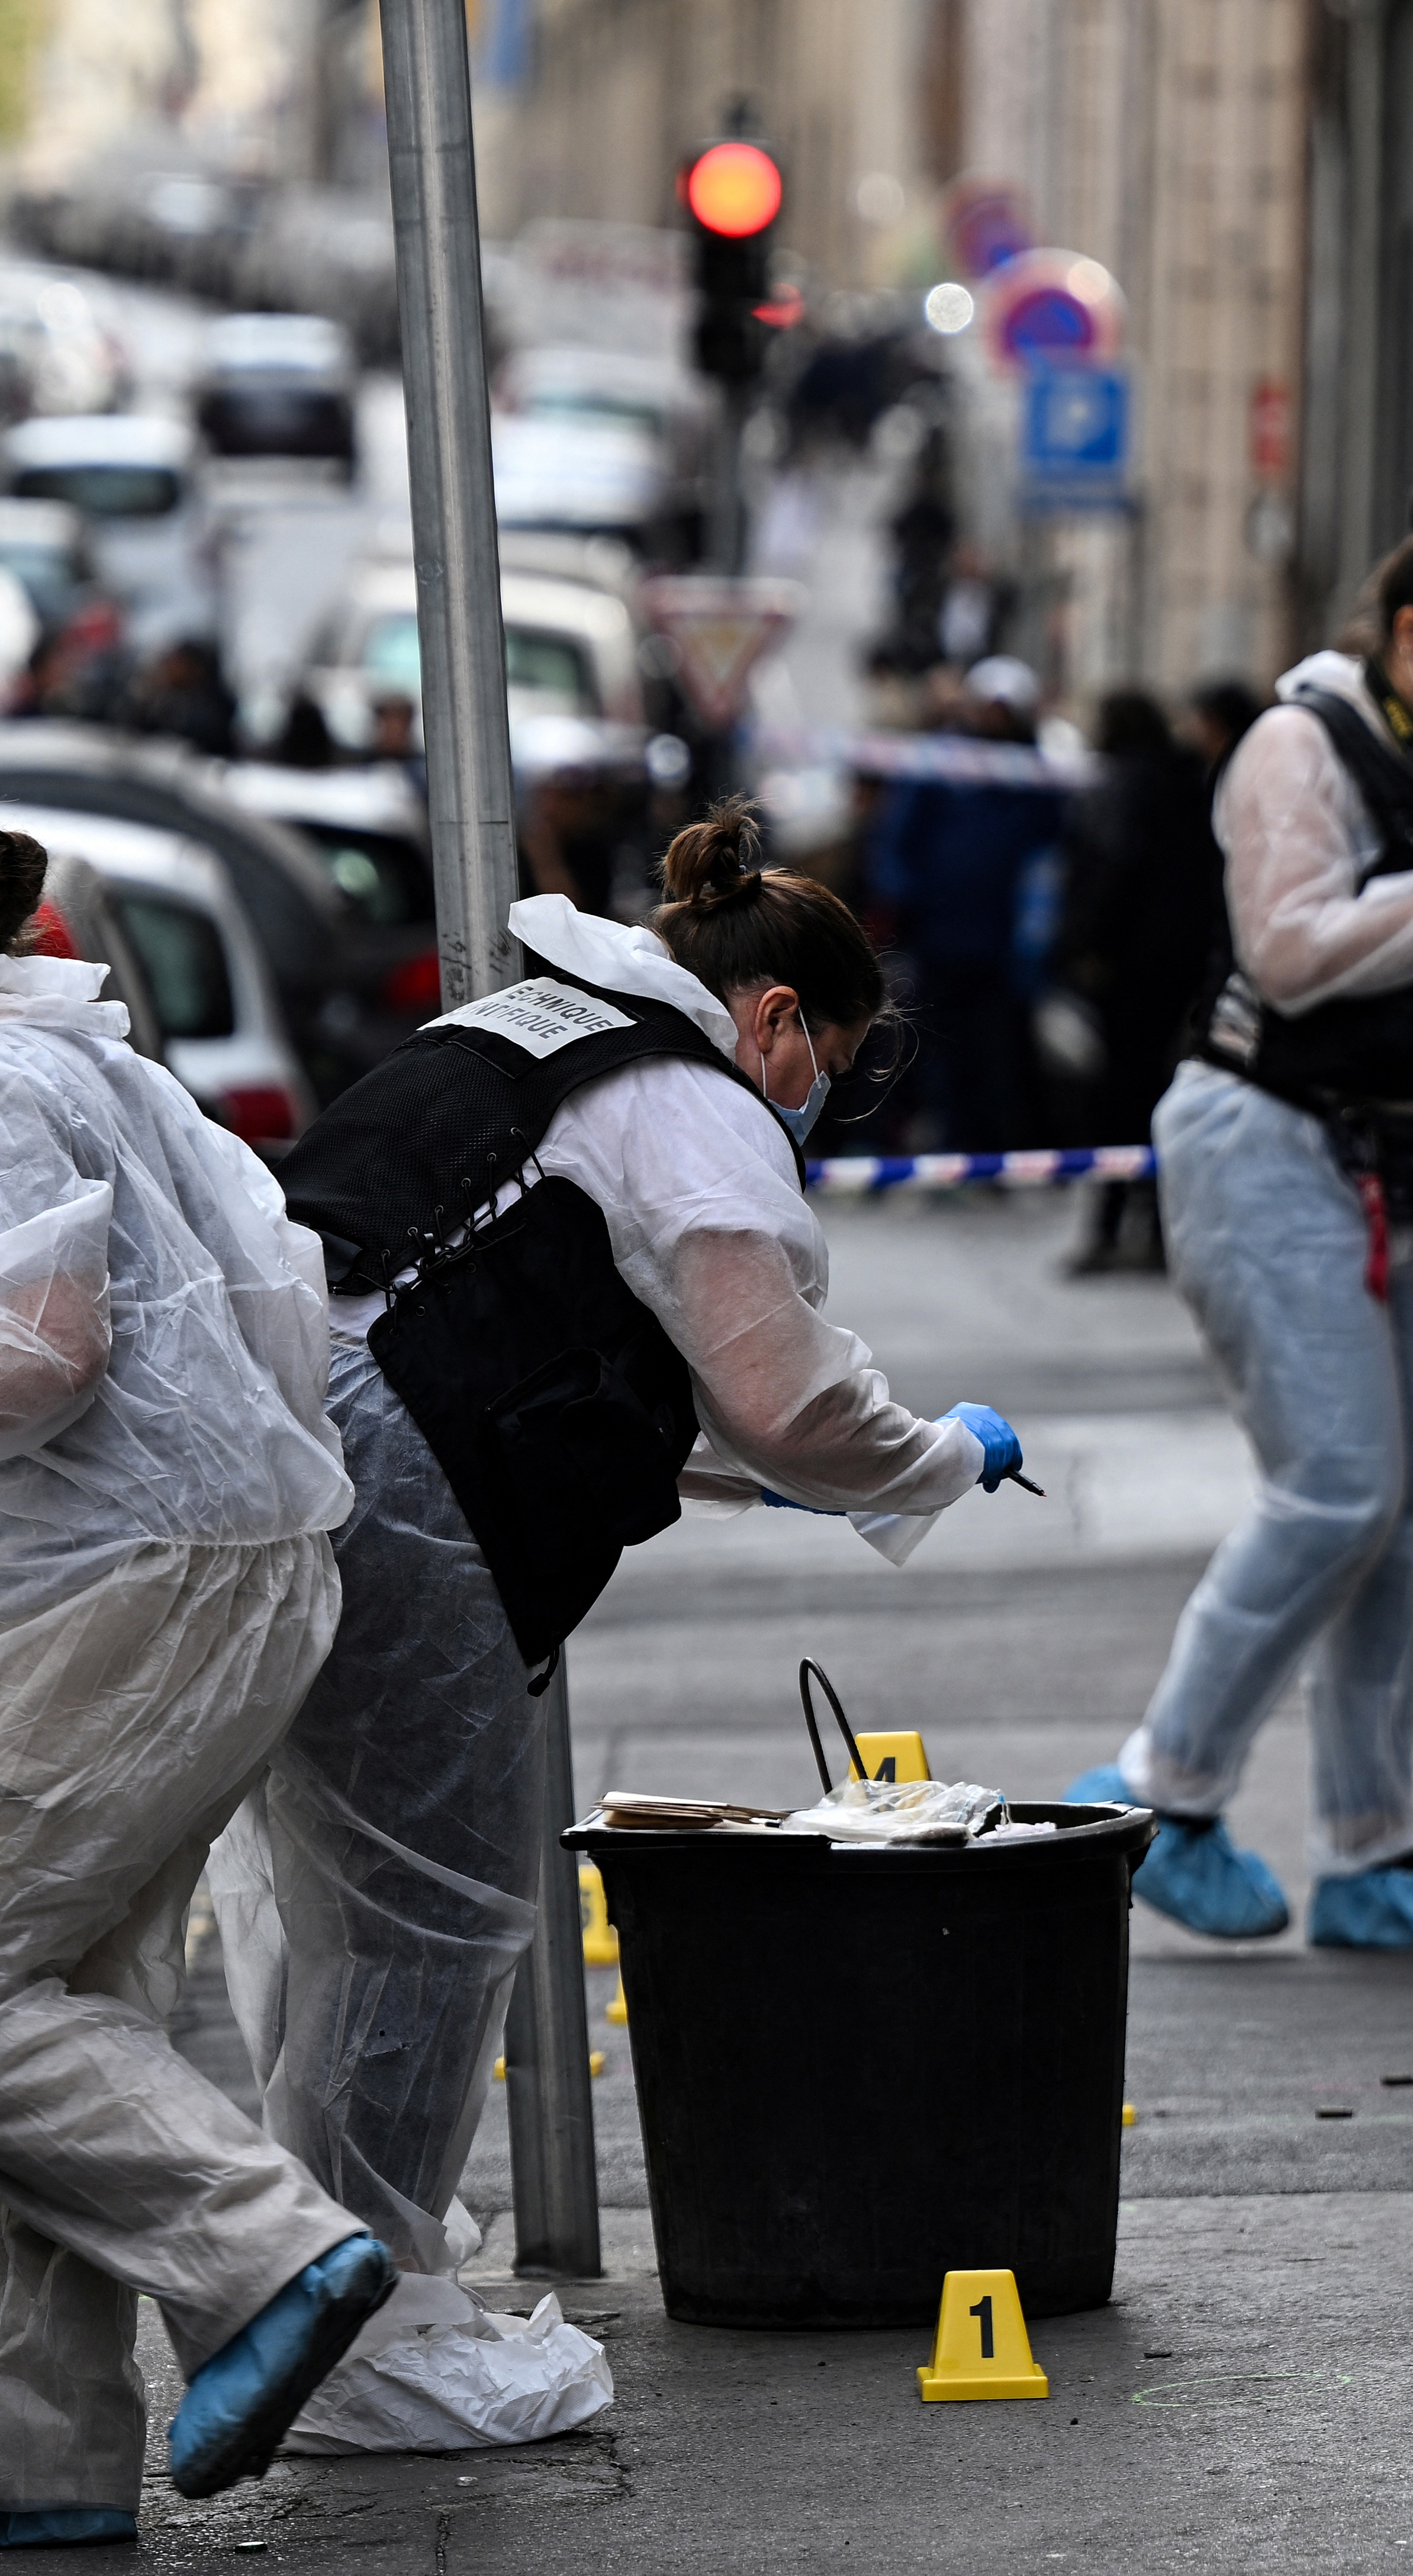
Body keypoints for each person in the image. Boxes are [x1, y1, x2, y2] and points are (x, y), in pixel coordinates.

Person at [226, 802, 1026, 2443]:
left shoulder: (530, 1027)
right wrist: (936, 1451)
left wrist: (820, 1479)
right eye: (827, 1063)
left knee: (345, 1909)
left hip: (297, 1437)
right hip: (408, 1473)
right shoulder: (699, 1104)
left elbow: (590, 1356)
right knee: (425, 1923)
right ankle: (358, 2331)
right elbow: (783, 1394)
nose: (809, 1103)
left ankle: (325, 2276)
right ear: (778, 1016)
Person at [0, 795, 396, 2547]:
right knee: (52, 2000)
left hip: (108, 1589)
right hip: (234, 1565)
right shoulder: (126, 1076)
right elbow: (281, 1311)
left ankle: (267, 2256)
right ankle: (22, 2453)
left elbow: (31, 1357)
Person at [1066, 472, 1413, 1949]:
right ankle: (1157, 1794)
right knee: (1336, 1491)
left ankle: (1372, 1851)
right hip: (1271, 1141)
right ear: (1412, 633)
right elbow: (1296, 950)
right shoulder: (1291, 747)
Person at [1051, 687, 1230, 1274]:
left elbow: (1109, 868)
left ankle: (1107, 1227)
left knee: (1117, 1098)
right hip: (1183, 966)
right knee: (1160, 1090)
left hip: (1125, 969)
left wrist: (1084, 948)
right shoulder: (1193, 784)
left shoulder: (1119, 789)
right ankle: (1157, 1229)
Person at [868, 656, 1067, 1152]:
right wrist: (902, 901)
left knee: (1000, 1050)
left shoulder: (1035, 774)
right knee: (940, 1047)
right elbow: (897, 839)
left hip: (1004, 945)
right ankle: (951, 1143)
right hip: (941, 937)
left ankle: (994, 1147)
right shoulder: (942, 762)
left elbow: (1053, 848)